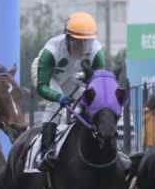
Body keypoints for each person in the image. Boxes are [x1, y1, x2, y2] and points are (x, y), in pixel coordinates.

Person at [35, 11, 105, 171]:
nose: (83, 48)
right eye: (78, 43)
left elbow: (99, 83)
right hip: (50, 77)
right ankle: (45, 152)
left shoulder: (96, 51)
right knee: (54, 106)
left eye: (86, 43)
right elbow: (42, 87)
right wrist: (58, 96)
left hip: (72, 75)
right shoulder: (50, 51)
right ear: (67, 39)